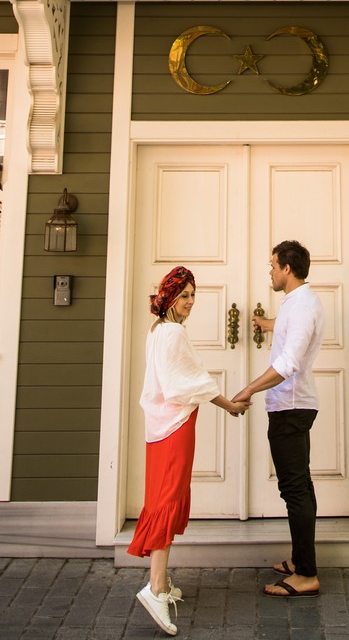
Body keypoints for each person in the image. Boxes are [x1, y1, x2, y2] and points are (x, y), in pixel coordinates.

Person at [128, 265, 247, 636]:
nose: (191, 302)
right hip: (174, 428)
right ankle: (154, 587)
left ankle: (161, 584)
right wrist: (229, 404)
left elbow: (179, 380)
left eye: (193, 295)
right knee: (168, 499)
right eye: (184, 296)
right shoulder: (173, 333)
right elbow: (187, 383)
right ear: (169, 297)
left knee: (165, 496)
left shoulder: (157, 331)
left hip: (160, 427)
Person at [234, 239, 324, 598]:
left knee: (295, 490)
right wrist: (267, 323)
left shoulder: (301, 306)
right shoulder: (296, 303)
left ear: (288, 268)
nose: (269, 271)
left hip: (290, 406)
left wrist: (248, 389)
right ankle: (301, 559)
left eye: (273, 265)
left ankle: (306, 574)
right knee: (301, 488)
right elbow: (291, 333)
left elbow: (289, 363)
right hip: (292, 406)